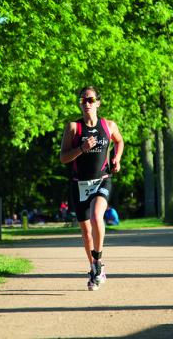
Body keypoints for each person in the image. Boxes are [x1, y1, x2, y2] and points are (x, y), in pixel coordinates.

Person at [59, 85, 124, 291]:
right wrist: (81, 148)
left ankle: (98, 260)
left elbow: (119, 141)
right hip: (80, 184)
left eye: (90, 100)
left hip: (102, 179)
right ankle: (95, 268)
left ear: (98, 102)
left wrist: (117, 158)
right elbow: (63, 158)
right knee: (86, 233)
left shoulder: (109, 125)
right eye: (83, 100)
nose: (86, 103)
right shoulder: (73, 128)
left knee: (97, 217)